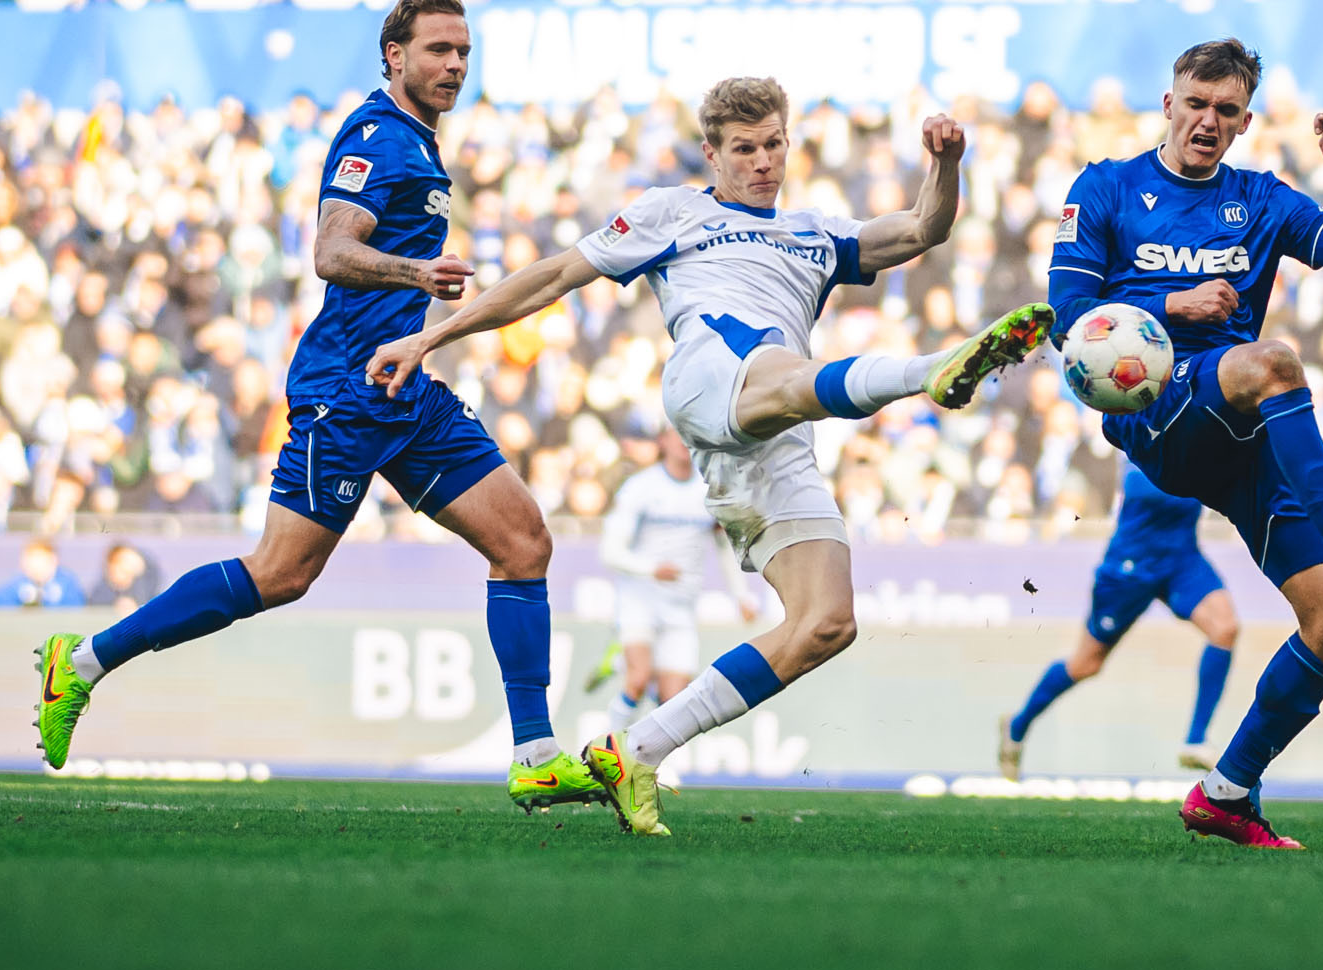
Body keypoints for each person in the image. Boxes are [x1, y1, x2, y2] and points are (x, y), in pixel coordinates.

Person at [366, 73, 1055, 837]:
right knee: (772, 362)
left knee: (827, 621)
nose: (762, 162)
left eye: (772, 146)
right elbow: (555, 276)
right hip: (710, 379)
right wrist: (433, 334)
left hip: (773, 437)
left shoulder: (815, 233)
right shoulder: (674, 212)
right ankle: (926, 371)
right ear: (712, 153)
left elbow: (926, 227)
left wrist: (947, 161)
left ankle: (638, 750)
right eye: (743, 149)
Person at [31, 0, 608, 813]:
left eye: (464, 52)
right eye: (439, 50)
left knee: (523, 541)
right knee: (280, 574)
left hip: (402, 381)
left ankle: (536, 753)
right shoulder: (375, 135)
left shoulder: (419, 141)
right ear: (394, 56)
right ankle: (80, 661)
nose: (454, 65)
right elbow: (332, 252)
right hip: (347, 388)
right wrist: (417, 273)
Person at [1049, 37, 1323, 849]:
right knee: (1272, 360)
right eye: (1195, 103)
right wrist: (1176, 308)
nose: (1207, 120)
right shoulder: (1104, 186)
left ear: (1244, 123)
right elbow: (1066, 318)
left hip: (1242, 428)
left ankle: (1228, 791)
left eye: (1226, 110)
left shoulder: (1262, 199)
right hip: (1158, 409)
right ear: (1168, 104)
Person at [996, 463, 1242, 780]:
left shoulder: (1207, 426)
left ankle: (1195, 741)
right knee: (1086, 664)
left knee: (1225, 628)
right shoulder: (1142, 424)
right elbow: (1142, 487)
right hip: (1130, 565)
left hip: (1182, 558)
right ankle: (1017, 726)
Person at [593, 430, 726, 740]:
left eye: (689, 435)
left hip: (681, 605)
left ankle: (651, 766)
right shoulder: (640, 488)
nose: (683, 442)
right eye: (676, 434)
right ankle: (608, 754)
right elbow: (610, 551)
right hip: (640, 599)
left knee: (675, 701)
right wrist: (652, 569)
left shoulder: (710, 491)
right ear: (662, 441)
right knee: (638, 679)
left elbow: (722, 545)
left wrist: (743, 596)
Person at [0, 539, 86, 607]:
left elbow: (74, 610)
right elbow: (0, 606)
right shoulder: (15, 585)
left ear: (54, 561)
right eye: (31, 561)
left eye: (42, 561)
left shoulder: (68, 585)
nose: (36, 568)